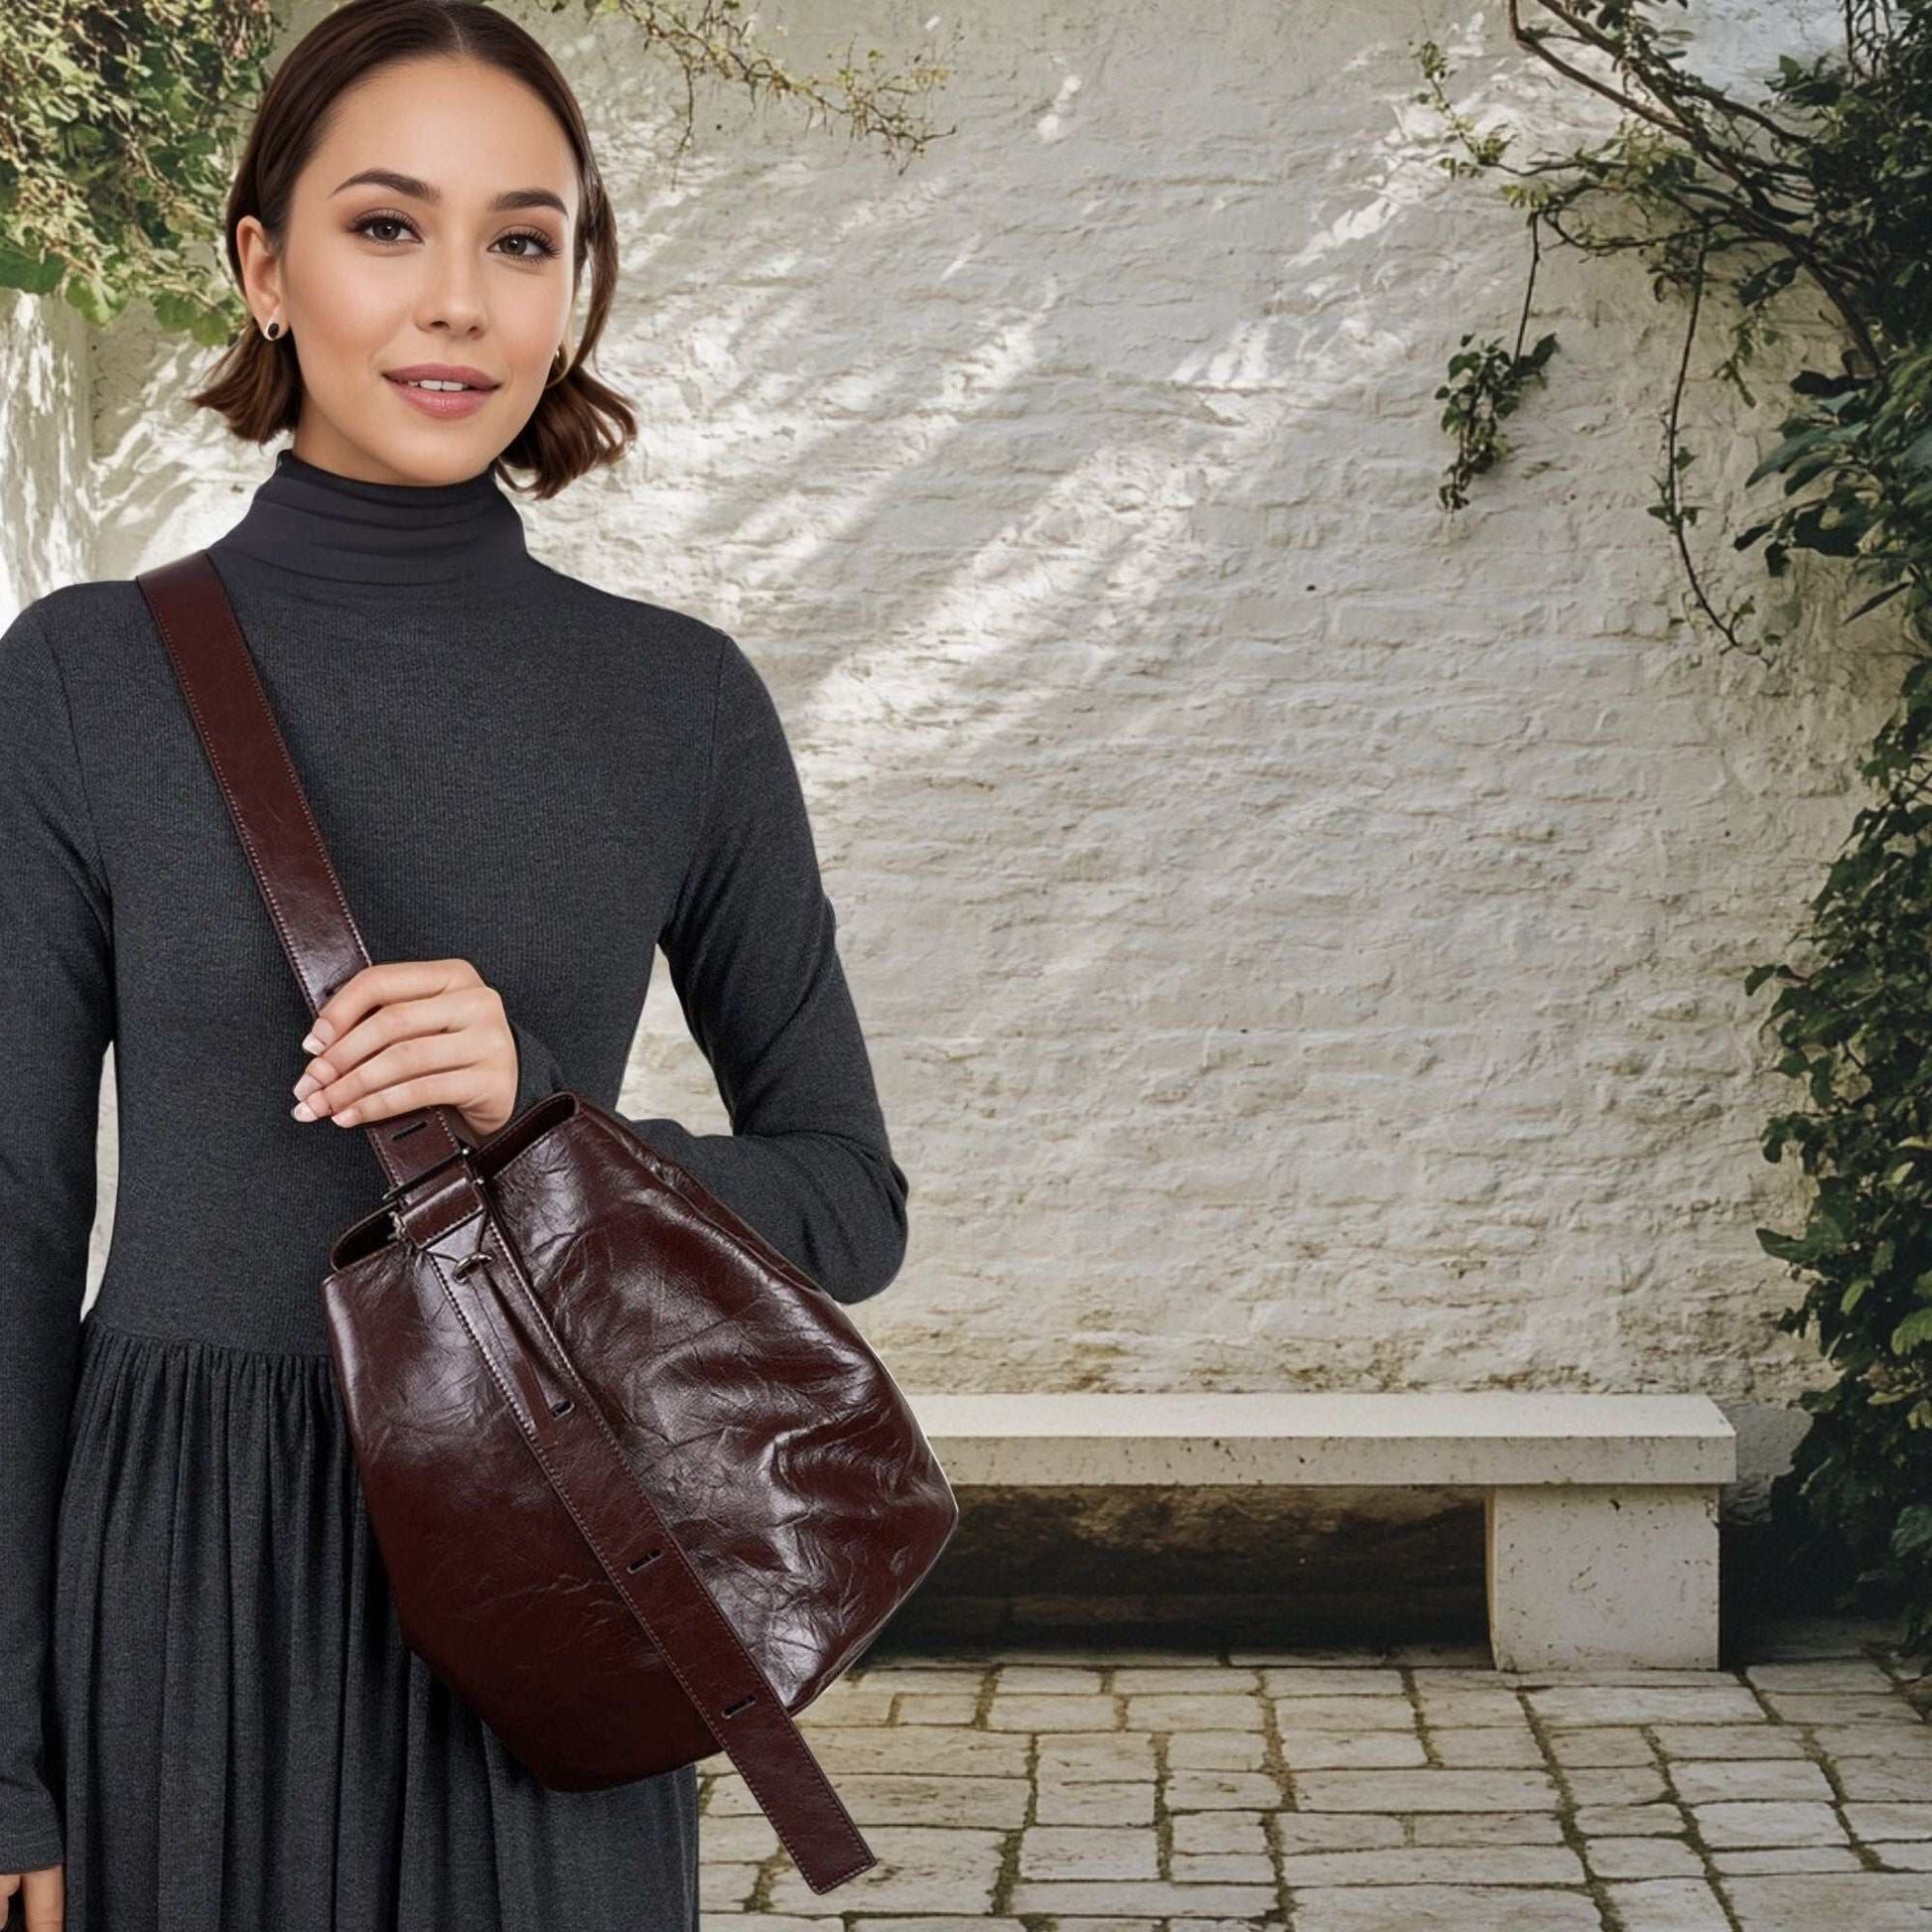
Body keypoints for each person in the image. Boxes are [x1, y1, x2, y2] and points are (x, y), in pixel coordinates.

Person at [0, 3, 911, 1926]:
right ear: (264, 265)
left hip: (559, 1548)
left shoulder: (678, 702)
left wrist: (549, 1118)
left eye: (523, 239)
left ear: (575, 290)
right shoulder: (82, 678)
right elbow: (7, 1223)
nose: (461, 302)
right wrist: (2, 1759)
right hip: (184, 1558)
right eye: (387, 225)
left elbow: (846, 1197)